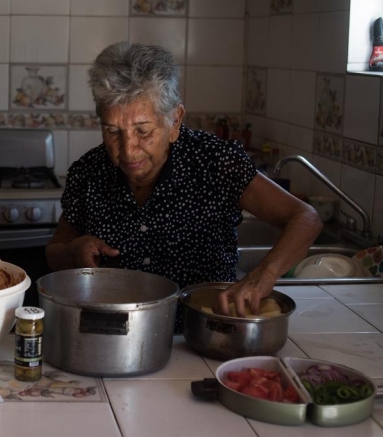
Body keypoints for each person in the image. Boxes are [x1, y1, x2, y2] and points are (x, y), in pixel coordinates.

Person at [45, 41, 322, 323]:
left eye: (143, 131)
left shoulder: (215, 162)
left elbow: (305, 218)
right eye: (113, 132)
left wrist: (262, 277)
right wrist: (73, 252)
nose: (128, 150)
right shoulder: (88, 172)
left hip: (202, 336)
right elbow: (55, 252)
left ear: (175, 120)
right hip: (116, 338)